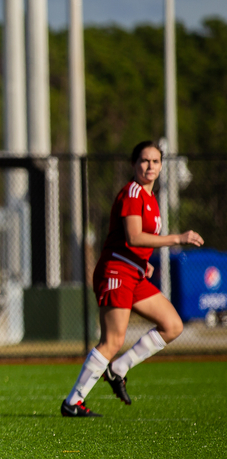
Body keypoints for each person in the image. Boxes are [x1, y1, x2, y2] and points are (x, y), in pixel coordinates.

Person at [61, 140, 203, 417]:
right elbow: (134, 236)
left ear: (161, 166)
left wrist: (144, 263)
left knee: (172, 325)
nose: (150, 166)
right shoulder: (132, 192)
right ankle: (72, 402)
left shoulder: (150, 198)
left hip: (133, 272)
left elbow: (137, 243)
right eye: (144, 161)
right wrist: (178, 238)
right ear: (133, 164)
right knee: (112, 340)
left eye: (155, 161)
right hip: (116, 271)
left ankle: (118, 369)